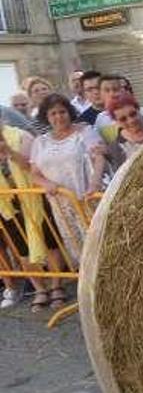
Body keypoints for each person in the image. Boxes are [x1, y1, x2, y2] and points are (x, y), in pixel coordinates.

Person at [29, 94, 105, 270]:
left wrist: (94, 184)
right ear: (46, 117)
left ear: (69, 112)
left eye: (62, 112)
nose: (58, 117)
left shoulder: (85, 132)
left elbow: (98, 158)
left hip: (87, 199)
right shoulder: (40, 142)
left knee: (98, 246)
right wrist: (47, 184)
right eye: (53, 113)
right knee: (78, 249)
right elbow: (34, 174)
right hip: (61, 205)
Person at [0, 122, 65, 312]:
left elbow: (32, 166)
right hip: (8, 204)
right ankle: (39, 289)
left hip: (33, 197)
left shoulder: (20, 136)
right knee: (21, 249)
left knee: (50, 241)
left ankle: (56, 285)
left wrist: (9, 151)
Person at [106, 94, 143, 172]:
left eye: (133, 114)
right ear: (117, 122)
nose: (131, 121)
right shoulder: (116, 149)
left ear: (139, 110)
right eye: (123, 119)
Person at [94, 75, 126, 144]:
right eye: (107, 90)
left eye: (115, 89)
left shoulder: (138, 112)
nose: (112, 94)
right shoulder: (100, 120)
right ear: (100, 94)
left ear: (122, 91)